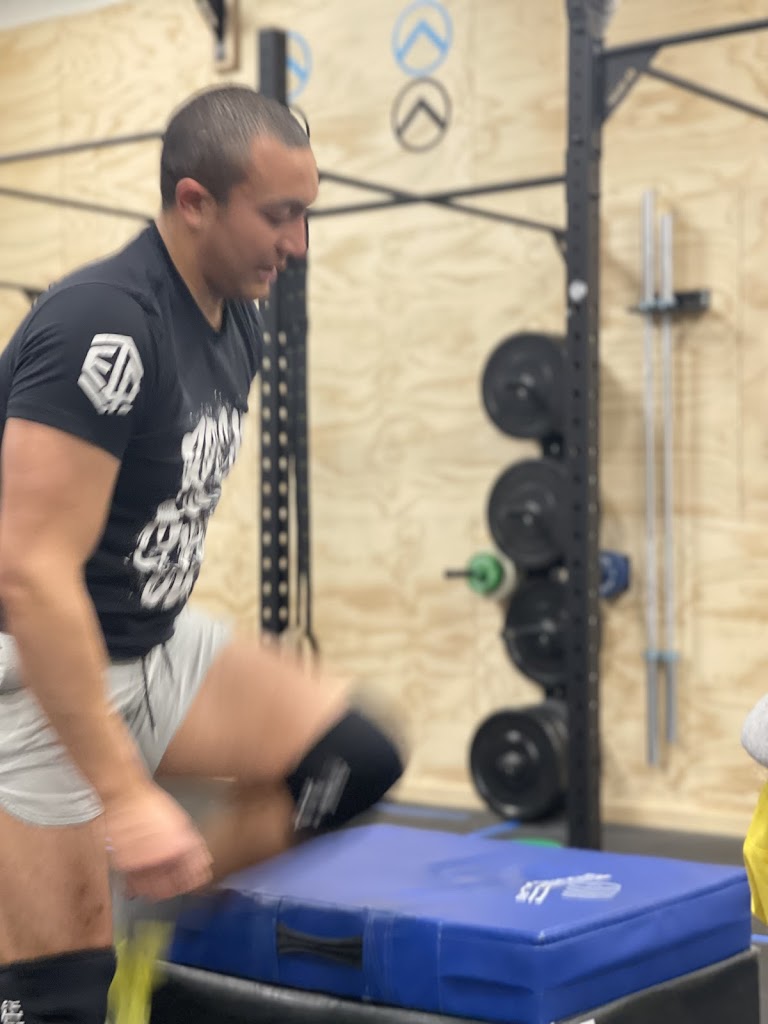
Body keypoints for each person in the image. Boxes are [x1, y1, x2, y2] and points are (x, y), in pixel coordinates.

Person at [0, 85, 406, 1022]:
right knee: (59, 999)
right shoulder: (105, 323)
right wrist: (125, 796)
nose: (298, 243)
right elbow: (30, 573)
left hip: (151, 643)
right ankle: (73, 922)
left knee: (350, 759)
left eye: (305, 214)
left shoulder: (235, 317)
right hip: (41, 663)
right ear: (195, 202)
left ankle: (144, 908)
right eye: (279, 215)